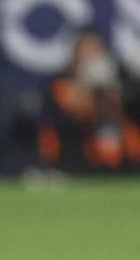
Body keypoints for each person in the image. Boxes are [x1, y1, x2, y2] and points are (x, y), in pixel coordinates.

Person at [35, 29, 140, 173]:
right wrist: (86, 91)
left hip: (122, 160)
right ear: (75, 55)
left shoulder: (119, 82)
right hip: (77, 157)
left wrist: (113, 94)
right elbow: (65, 117)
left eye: (96, 50)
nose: (91, 56)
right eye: (86, 50)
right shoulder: (62, 84)